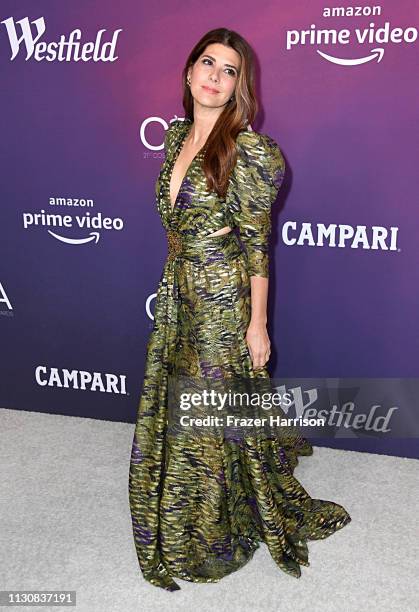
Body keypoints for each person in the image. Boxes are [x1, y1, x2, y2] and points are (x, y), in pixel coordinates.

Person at [128, 27, 351, 592]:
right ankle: (184, 517)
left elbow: (256, 244)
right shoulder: (173, 136)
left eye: (229, 71)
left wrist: (258, 323)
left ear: (238, 88)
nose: (215, 76)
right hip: (180, 289)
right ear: (189, 71)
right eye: (208, 63)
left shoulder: (250, 152)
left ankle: (209, 533)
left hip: (223, 298)